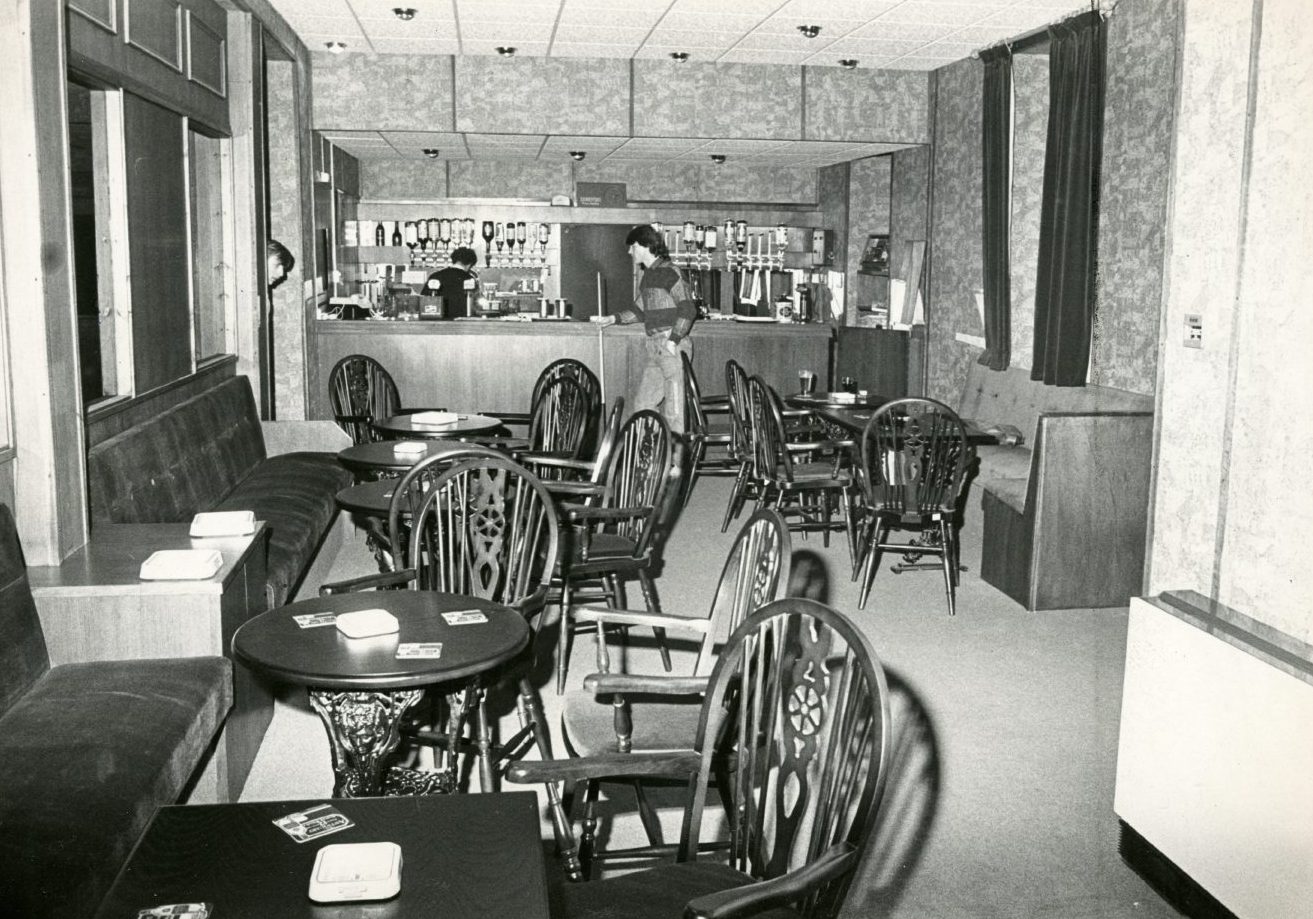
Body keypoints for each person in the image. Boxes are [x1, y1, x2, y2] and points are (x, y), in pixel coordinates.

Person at [605, 224, 698, 433]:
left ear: (646, 245)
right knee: (643, 406)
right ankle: (657, 458)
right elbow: (640, 310)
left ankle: (676, 465)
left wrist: (674, 340)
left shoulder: (670, 271)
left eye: (633, 246)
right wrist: (612, 318)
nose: (630, 252)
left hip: (671, 345)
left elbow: (688, 309)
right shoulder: (648, 276)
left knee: (675, 412)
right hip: (655, 347)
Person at [424, 246, 479, 319]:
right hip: (462, 324)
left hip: (436, 323)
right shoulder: (469, 279)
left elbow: (423, 301)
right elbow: (477, 306)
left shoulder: (435, 276)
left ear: (454, 260)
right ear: (469, 264)